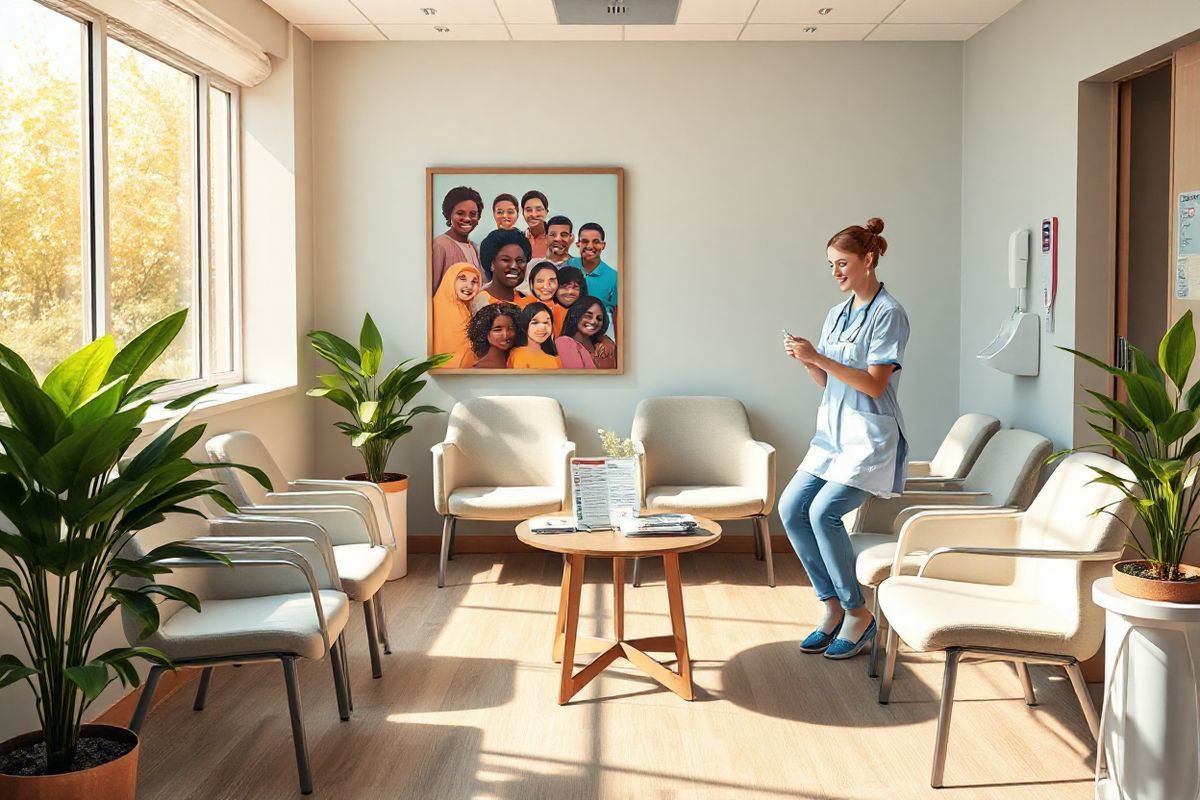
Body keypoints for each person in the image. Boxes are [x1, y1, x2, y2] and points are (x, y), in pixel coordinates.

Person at [779, 217, 909, 660]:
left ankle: (859, 612)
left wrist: (819, 355)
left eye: (842, 263)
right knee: (791, 508)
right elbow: (829, 383)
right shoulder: (837, 314)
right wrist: (805, 360)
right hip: (833, 435)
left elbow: (874, 384)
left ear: (868, 260)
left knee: (823, 513)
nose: (835, 272)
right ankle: (831, 607)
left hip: (870, 439)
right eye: (831, 265)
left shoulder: (890, 314)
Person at [432, 186, 483, 293]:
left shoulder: (475, 248)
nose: (467, 218)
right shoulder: (439, 245)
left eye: (473, 214)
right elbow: (432, 290)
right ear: (449, 214)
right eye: (460, 213)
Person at [566, 222, 618, 328]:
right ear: (578, 244)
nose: (590, 246)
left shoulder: (614, 277)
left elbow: (616, 314)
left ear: (603, 245)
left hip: (596, 333)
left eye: (596, 242)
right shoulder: (568, 265)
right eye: (585, 241)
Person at [431, 262, 483, 357]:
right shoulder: (436, 309)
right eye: (463, 279)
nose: (469, 286)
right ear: (450, 281)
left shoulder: (466, 309)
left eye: (474, 282)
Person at [474, 228, 532, 311]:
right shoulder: (478, 304)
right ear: (492, 264)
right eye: (506, 260)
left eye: (520, 260)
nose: (514, 266)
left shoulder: (529, 301)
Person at [560, 296, 616, 370]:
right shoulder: (565, 342)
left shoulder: (603, 344)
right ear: (576, 315)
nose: (594, 322)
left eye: (599, 319)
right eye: (588, 316)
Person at [464, 302, 520, 369]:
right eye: (497, 330)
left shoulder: (520, 360)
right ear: (484, 332)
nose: (505, 335)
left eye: (511, 328)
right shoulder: (482, 367)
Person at [509, 302, 561, 369]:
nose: (542, 327)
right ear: (525, 324)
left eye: (546, 322)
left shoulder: (557, 357)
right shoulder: (517, 354)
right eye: (535, 322)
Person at [527, 261, 567, 336]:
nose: (546, 286)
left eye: (552, 281)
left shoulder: (565, 312)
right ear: (531, 284)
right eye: (540, 281)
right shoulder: (522, 306)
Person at [522, 190, 550, 259]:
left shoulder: (554, 238)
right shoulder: (518, 239)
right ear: (523, 213)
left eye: (538, 209)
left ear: (546, 212)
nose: (534, 215)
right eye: (528, 210)